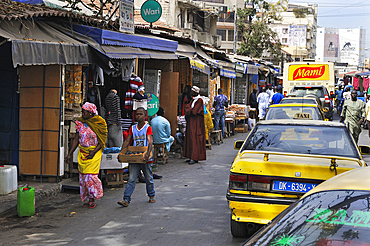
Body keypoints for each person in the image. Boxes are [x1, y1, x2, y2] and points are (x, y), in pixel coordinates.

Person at [65, 102, 107, 209]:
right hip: (83, 153)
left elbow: (102, 141)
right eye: (82, 112)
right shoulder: (80, 123)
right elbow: (76, 139)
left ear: (92, 113)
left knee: (90, 176)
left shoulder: (100, 123)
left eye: (85, 112)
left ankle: (94, 197)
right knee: (83, 177)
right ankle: (88, 198)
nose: (83, 114)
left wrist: (93, 152)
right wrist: (69, 154)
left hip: (95, 152)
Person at [117, 107, 155, 207]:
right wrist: (121, 152)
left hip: (145, 156)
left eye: (140, 114)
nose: (138, 116)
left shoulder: (148, 127)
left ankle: (151, 195)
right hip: (135, 156)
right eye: (137, 114)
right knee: (131, 179)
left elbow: (150, 141)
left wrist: (148, 153)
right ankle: (126, 199)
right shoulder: (133, 128)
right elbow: (127, 141)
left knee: (148, 177)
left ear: (144, 115)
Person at [183, 86, 206, 165]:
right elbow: (189, 108)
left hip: (196, 123)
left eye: (192, 91)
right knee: (190, 137)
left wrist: (188, 110)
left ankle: (194, 157)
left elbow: (194, 111)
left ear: (195, 92)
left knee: (194, 138)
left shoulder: (199, 100)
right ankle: (190, 156)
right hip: (191, 122)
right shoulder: (193, 99)